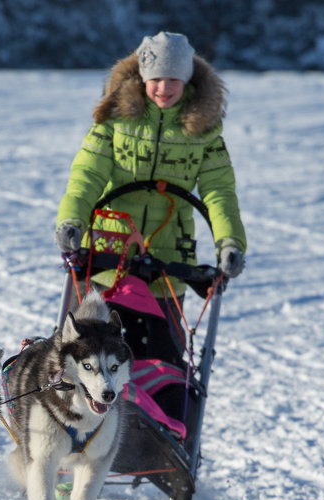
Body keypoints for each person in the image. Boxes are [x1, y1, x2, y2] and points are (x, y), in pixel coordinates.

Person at [55, 32, 247, 302]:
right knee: (88, 342)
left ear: (187, 79)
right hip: (105, 256)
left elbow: (219, 193)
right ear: (144, 78)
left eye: (173, 80)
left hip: (168, 262)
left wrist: (231, 242)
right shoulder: (114, 121)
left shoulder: (204, 132)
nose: (163, 88)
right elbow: (87, 176)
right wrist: (71, 220)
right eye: (156, 79)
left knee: (161, 344)